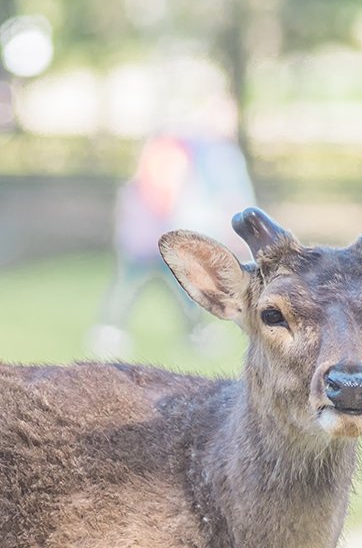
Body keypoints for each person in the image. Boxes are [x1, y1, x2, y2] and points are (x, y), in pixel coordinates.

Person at [87, 97, 256, 359]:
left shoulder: (192, 151)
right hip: (152, 236)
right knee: (136, 284)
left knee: (175, 287)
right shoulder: (194, 152)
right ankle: (113, 330)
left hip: (160, 234)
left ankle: (193, 331)